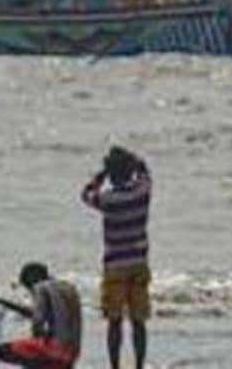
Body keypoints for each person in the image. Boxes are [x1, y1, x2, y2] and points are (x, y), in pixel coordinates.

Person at [82, 146, 152, 369]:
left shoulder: (108, 200)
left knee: (114, 320)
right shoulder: (141, 193)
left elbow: (86, 195)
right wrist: (137, 162)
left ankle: (115, 365)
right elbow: (146, 175)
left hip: (114, 264)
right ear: (130, 171)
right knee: (139, 320)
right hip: (139, 263)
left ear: (111, 174)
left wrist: (99, 176)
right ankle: (139, 364)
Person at [0, 262, 82, 369]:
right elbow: (44, 313)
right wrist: (7, 304)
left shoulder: (41, 288)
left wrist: (37, 341)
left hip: (53, 352)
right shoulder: (68, 287)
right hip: (71, 353)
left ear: (31, 280)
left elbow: (38, 321)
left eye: (28, 286)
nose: (30, 292)